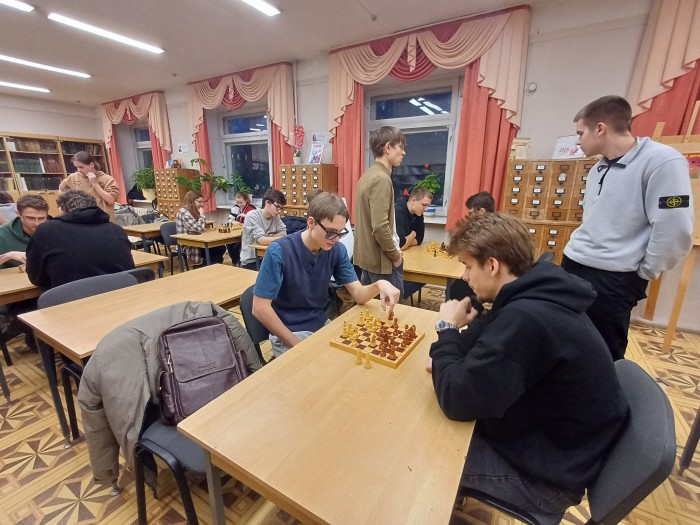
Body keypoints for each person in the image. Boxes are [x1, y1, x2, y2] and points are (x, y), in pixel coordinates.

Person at [427, 212, 629, 525]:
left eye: (468, 266)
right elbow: (478, 349)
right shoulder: (532, 291)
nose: (464, 276)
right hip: (552, 447)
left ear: (492, 265)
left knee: (424, 450)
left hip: (545, 479)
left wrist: (447, 329)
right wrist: (456, 344)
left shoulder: (528, 317)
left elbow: (457, 398)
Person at [562, 95, 694, 360]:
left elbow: (675, 228)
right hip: (576, 264)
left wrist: (646, 271)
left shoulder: (662, 161)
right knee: (569, 338)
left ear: (600, 128)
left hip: (613, 278)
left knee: (604, 351)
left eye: (580, 133)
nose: (577, 141)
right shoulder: (598, 168)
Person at [252, 191, 400, 357]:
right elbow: (260, 308)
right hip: (290, 332)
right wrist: (298, 346)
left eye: (340, 233)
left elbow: (358, 295)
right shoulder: (279, 250)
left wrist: (380, 284)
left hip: (320, 324)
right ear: (311, 222)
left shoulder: (336, 250)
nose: (336, 239)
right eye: (331, 232)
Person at [26, 190, 134, 289]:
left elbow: (36, 278)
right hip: (121, 296)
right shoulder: (116, 230)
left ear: (61, 210)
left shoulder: (46, 231)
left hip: (72, 300)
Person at [354, 126, 405, 292]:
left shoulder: (367, 175)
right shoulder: (381, 178)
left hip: (368, 258)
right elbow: (380, 226)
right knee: (390, 307)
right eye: (401, 147)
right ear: (388, 147)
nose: (403, 153)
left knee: (371, 306)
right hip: (381, 261)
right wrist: (395, 256)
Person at [447, 190, 496, 306]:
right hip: (487, 273)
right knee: (456, 287)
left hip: (488, 276)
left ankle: (474, 313)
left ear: (481, 211)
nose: (469, 217)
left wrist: (468, 271)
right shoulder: (492, 225)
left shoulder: (486, 231)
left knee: (456, 290)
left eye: (471, 213)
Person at [59, 151, 119, 222]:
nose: (78, 170)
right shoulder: (72, 178)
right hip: (81, 220)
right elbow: (62, 192)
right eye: (77, 167)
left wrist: (95, 184)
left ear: (91, 164)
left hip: (102, 220)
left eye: (81, 167)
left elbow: (111, 200)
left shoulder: (107, 179)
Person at [239, 189, 287, 270]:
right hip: (251, 262)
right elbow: (262, 240)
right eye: (277, 207)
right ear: (267, 203)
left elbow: (283, 233)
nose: (279, 211)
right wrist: (279, 238)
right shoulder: (252, 216)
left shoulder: (275, 216)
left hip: (266, 257)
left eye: (281, 208)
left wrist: (269, 239)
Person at [175, 190, 226, 267]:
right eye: (199, 202)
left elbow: (201, 227)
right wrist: (202, 215)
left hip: (199, 240)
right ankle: (208, 266)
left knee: (221, 247)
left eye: (203, 202)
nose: (202, 205)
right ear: (191, 201)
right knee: (215, 249)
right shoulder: (183, 212)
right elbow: (198, 229)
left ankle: (209, 265)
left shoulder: (195, 210)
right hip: (190, 244)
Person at [0, 194, 49, 269]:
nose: (37, 223)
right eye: (30, 218)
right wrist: (8, 255)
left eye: (41, 218)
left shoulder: (55, 230)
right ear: (18, 214)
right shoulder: (2, 234)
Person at [395, 187, 432, 251]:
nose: (426, 209)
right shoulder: (398, 212)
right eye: (424, 205)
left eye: (428, 206)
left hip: (407, 251)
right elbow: (400, 245)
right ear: (413, 201)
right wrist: (413, 234)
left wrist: (407, 241)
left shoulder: (418, 213)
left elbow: (419, 239)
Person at [226, 191, 256, 265]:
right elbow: (230, 219)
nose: (239, 204)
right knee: (229, 243)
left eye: (241, 202)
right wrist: (234, 222)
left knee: (236, 247)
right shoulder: (235, 208)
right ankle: (235, 261)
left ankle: (239, 262)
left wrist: (246, 216)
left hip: (247, 234)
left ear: (246, 200)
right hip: (236, 232)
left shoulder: (252, 209)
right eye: (238, 202)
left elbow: (255, 221)